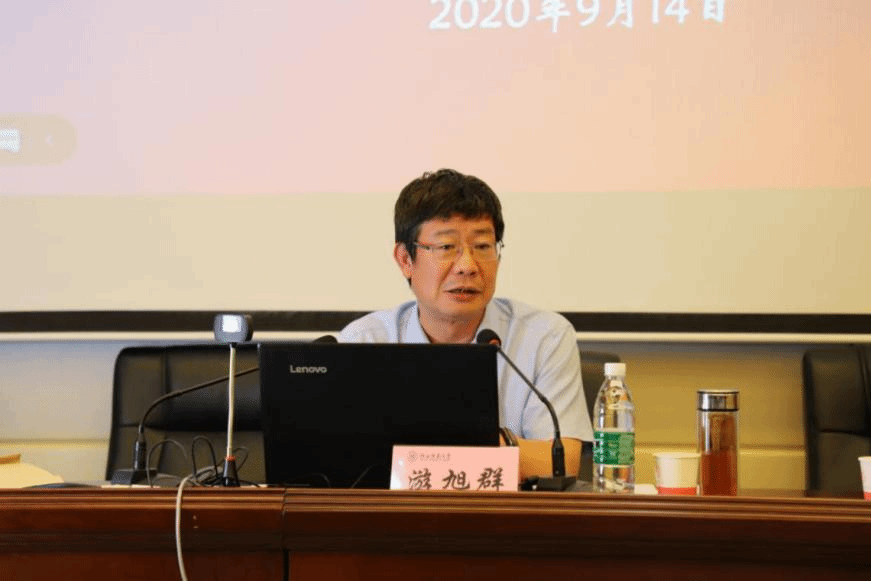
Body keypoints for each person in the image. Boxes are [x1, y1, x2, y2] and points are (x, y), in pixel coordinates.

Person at [339, 168, 592, 481]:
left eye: (483, 247)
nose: (468, 266)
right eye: (446, 247)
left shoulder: (544, 338)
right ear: (405, 259)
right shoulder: (363, 342)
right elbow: (344, 462)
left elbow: (559, 462)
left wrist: (426, 447)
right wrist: (491, 448)